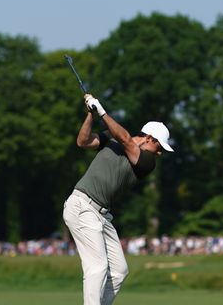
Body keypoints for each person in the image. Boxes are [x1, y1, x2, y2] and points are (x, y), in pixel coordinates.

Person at [63, 93, 174, 305]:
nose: (160, 153)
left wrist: (101, 110)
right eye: (160, 146)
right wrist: (91, 114)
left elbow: (125, 139)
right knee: (98, 267)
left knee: (119, 270)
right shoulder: (111, 138)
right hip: (82, 206)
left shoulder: (148, 162)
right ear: (149, 138)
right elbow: (83, 141)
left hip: (102, 216)